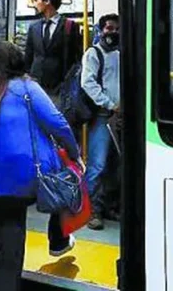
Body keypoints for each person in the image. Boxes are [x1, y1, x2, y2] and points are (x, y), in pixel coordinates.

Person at [0, 41, 84, 291]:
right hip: (19, 179)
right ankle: (58, 240)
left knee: (3, 246)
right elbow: (56, 122)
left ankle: (53, 239)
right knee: (9, 256)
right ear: (19, 64)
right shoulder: (27, 87)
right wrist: (74, 152)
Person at [80, 14, 120, 230]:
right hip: (104, 116)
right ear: (100, 30)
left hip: (122, 117)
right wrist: (109, 103)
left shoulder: (122, 53)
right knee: (97, 165)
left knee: (116, 166)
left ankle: (109, 207)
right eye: (109, 28)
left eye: (116, 29)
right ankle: (91, 210)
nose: (112, 33)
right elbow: (88, 83)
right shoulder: (94, 53)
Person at [24, 0, 82, 102]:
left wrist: (68, 82)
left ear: (47, 1)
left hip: (59, 87)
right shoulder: (33, 27)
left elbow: (77, 58)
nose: (34, 4)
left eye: (36, 0)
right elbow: (28, 56)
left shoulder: (70, 26)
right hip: (35, 85)